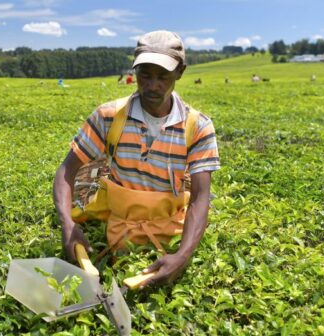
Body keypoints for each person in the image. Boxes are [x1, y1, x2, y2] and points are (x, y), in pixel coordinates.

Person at [53, 30, 220, 288]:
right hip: (120, 225)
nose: (152, 85)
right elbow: (67, 170)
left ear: (180, 72)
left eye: (163, 76)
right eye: (145, 75)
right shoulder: (108, 116)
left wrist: (182, 255)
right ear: (135, 71)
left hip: (171, 230)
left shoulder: (198, 126)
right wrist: (68, 224)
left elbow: (200, 196)